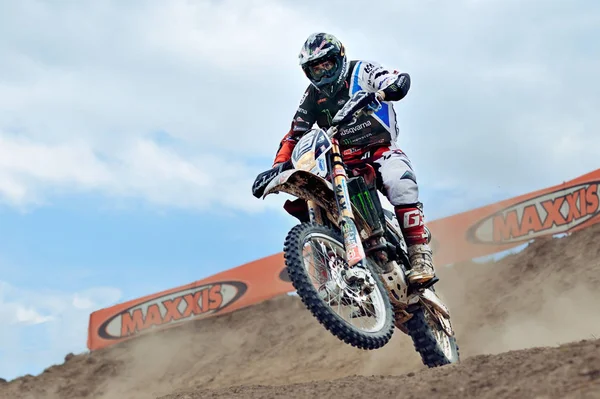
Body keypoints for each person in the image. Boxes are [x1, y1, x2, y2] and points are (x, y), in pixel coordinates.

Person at [271, 32, 436, 286]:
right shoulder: (312, 96)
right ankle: (331, 268)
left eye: (328, 64)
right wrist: (277, 166)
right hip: (342, 161)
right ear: (308, 72)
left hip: (379, 148)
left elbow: (397, 79)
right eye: (316, 69)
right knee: (315, 194)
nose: (323, 73)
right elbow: (295, 133)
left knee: (400, 182)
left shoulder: (362, 71)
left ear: (340, 58)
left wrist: (385, 91)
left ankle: (418, 254)